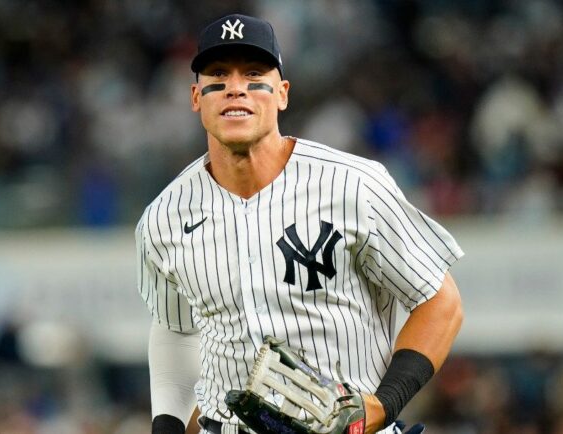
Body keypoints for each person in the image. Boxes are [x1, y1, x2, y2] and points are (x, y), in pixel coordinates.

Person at [136, 13, 464, 434]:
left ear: (282, 94)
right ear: (197, 97)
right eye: (218, 75)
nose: (236, 87)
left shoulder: (352, 185)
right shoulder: (165, 217)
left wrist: (383, 405)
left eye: (254, 74)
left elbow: (441, 302)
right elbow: (175, 330)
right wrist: (167, 425)